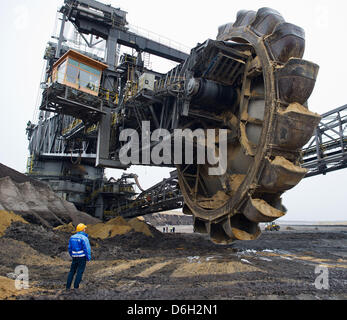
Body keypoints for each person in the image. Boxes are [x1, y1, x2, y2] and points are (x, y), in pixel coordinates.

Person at [66, 223, 91, 290]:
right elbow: (87, 248)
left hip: (75, 257)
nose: (85, 230)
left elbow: (69, 248)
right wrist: (88, 257)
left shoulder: (72, 237)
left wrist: (72, 255)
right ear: (82, 229)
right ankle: (76, 287)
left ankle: (67, 287)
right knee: (80, 272)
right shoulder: (84, 238)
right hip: (82, 257)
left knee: (72, 271)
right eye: (84, 228)